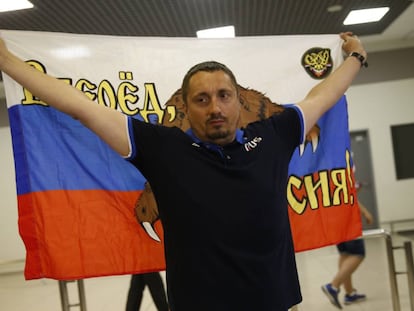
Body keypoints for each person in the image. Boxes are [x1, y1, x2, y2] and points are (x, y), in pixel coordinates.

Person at [0, 32, 367, 311]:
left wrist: (354, 57)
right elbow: (81, 107)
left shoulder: (273, 134)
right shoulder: (162, 148)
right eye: (202, 100)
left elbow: (322, 96)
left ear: (240, 101)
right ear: (187, 108)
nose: (215, 108)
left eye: (224, 95)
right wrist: (8, 62)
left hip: (275, 302)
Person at [322, 184, 374, 309]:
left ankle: (350, 293)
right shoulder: (343, 168)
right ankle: (333, 286)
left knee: (345, 254)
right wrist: (365, 212)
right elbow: (348, 194)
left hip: (333, 218)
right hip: (347, 219)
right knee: (358, 254)